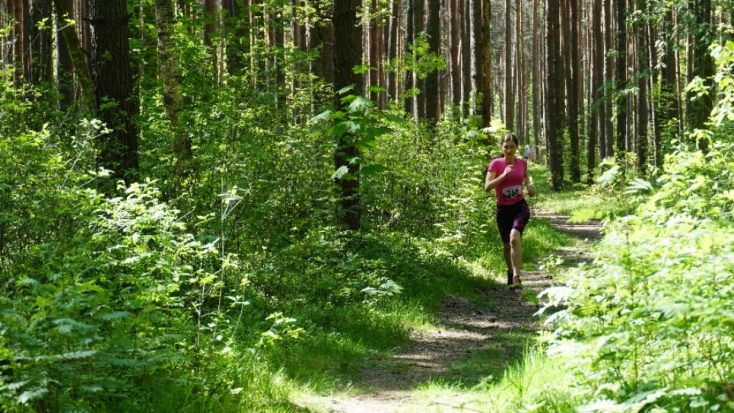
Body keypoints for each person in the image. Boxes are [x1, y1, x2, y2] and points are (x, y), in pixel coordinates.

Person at [485, 134, 535, 289]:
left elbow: (526, 177)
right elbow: (487, 187)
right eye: (506, 146)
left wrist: (529, 186)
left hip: (520, 206)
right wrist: (503, 175)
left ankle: (516, 277)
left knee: (514, 238)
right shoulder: (496, 164)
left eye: (512, 146)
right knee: (507, 245)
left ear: (517, 148)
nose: (509, 149)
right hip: (503, 209)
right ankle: (510, 271)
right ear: (502, 147)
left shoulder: (522, 163)